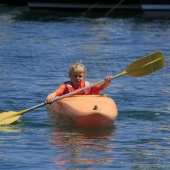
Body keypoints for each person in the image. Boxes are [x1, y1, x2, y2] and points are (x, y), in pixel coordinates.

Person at [45, 63, 112, 104]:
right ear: (70, 76)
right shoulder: (65, 86)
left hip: (85, 105)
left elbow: (102, 87)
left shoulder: (87, 85)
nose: (78, 78)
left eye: (80, 76)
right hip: (70, 106)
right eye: (75, 76)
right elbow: (54, 94)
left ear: (84, 76)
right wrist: (49, 99)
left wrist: (107, 81)